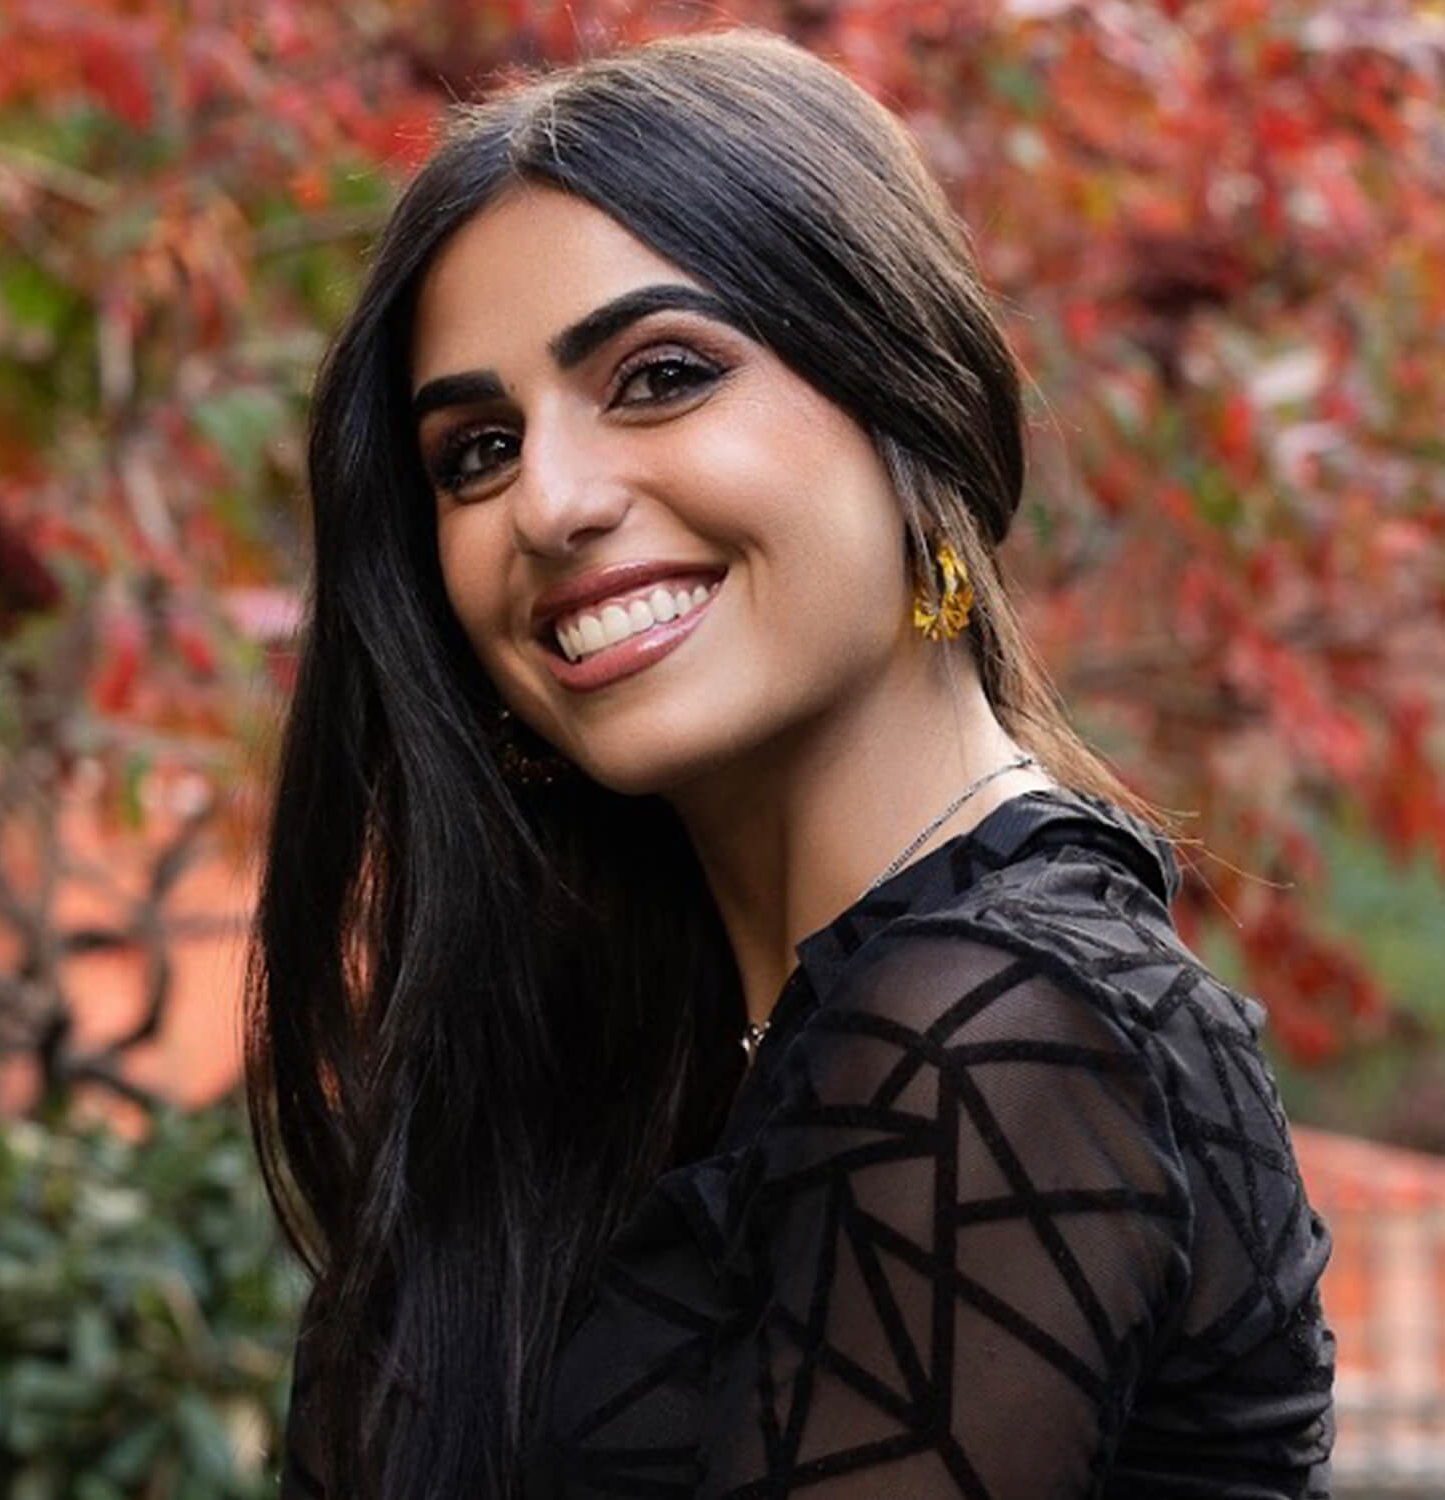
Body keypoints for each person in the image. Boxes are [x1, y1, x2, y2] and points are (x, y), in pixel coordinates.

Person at [248, 27, 1335, 1500]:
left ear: (914, 405)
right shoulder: (604, 1049)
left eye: (662, 375)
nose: (548, 504)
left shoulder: (1002, 1033)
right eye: (476, 452)